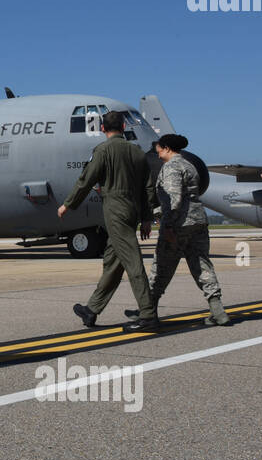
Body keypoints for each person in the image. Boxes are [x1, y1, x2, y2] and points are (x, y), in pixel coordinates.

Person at [58, 110, 158, 332]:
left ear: (102, 128)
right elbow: (148, 188)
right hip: (132, 211)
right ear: (123, 128)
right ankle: (92, 310)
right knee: (114, 262)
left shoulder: (102, 150)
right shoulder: (138, 152)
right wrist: (147, 218)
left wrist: (68, 204)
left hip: (115, 209)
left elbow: (86, 180)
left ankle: (148, 315)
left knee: (132, 262)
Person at [125, 134, 231, 326]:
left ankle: (147, 311)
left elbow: (173, 201)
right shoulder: (188, 165)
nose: (156, 151)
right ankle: (218, 311)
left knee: (161, 268)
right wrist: (157, 212)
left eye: (158, 148)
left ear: (166, 148)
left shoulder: (172, 167)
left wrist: (167, 226)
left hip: (178, 224)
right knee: (202, 265)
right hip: (197, 221)